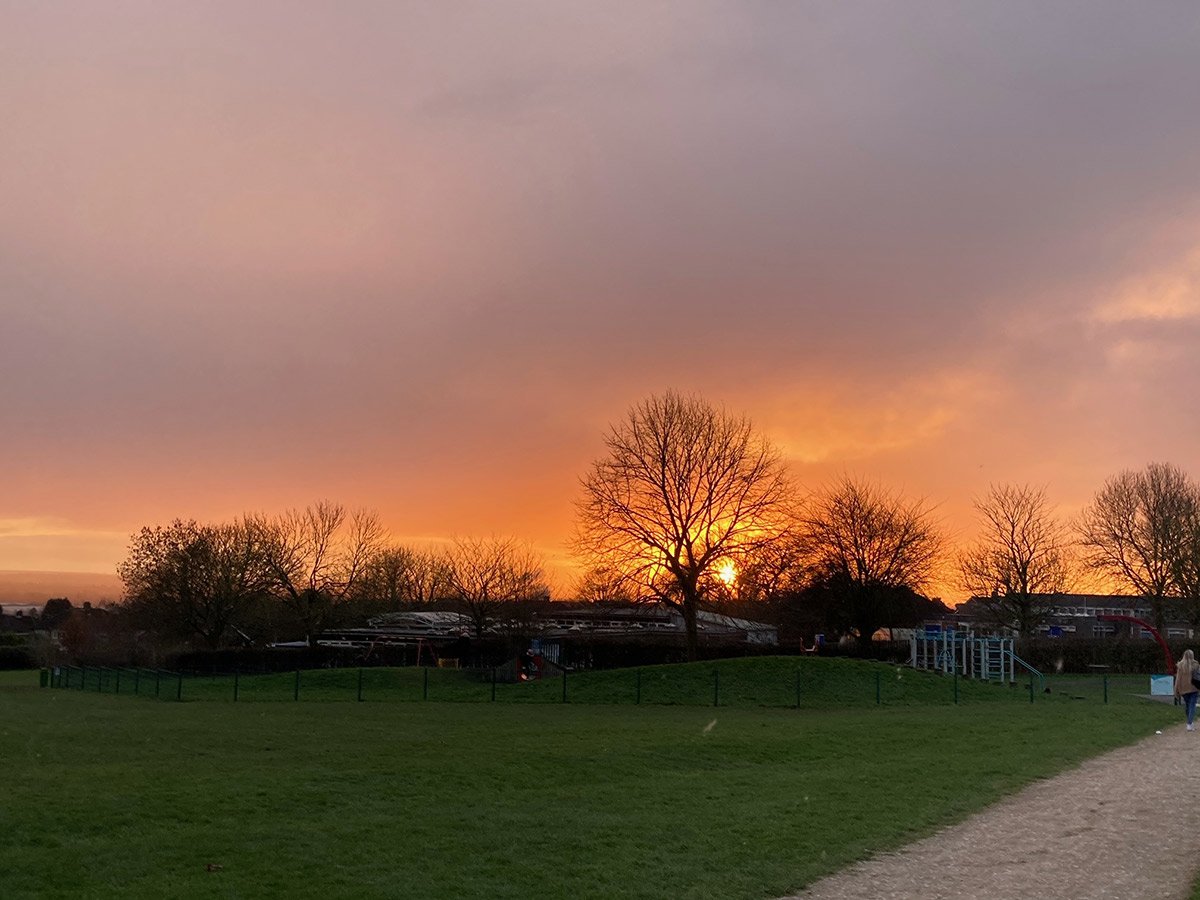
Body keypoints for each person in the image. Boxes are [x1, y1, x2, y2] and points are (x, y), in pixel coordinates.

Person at [1175, 649, 1200, 731]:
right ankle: (1189, 723)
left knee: (1188, 705)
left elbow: (1178, 679)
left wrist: (1176, 690)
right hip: (1194, 688)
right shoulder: (1195, 664)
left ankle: (1190, 722)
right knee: (1192, 705)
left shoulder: (1180, 665)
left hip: (1183, 688)